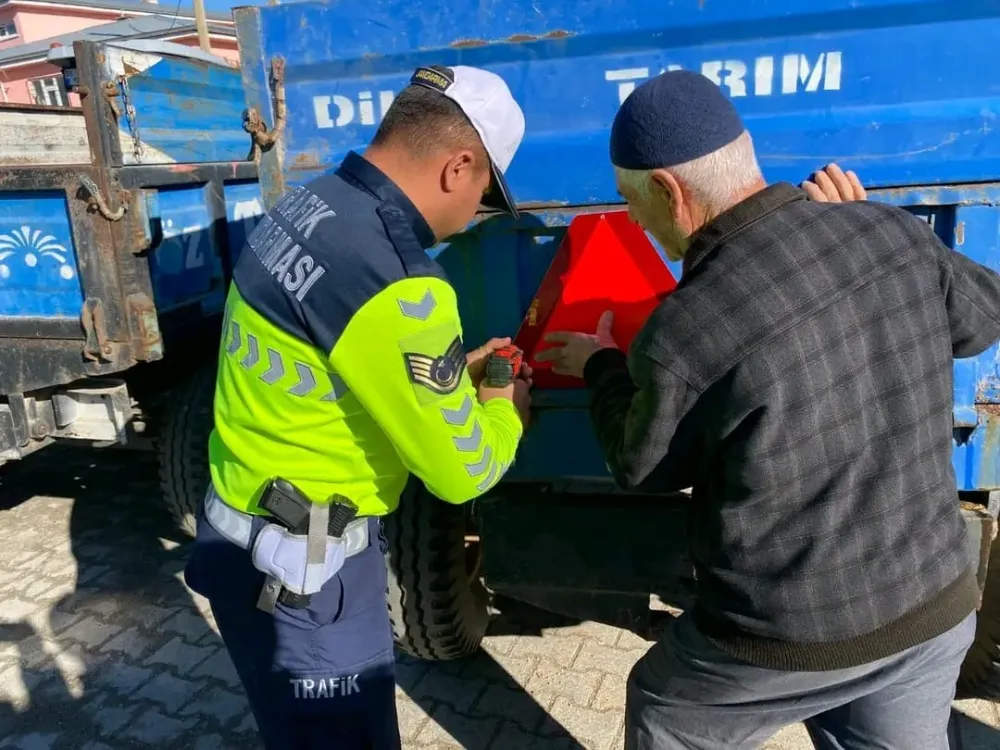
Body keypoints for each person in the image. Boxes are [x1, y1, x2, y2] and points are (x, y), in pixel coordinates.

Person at [537, 69, 995, 750]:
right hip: (930, 607)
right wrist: (870, 230)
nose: (632, 218)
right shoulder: (887, 235)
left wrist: (604, 365)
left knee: (665, 708)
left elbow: (646, 466)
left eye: (632, 200)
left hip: (788, 636)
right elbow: (982, 319)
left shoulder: (686, 327)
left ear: (668, 190)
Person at [183, 64, 531, 749]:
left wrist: (448, 370)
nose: (472, 217)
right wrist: (500, 400)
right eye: (487, 197)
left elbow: (323, 361)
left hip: (234, 544)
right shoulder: (403, 286)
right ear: (459, 167)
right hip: (312, 586)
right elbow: (466, 471)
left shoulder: (305, 206)